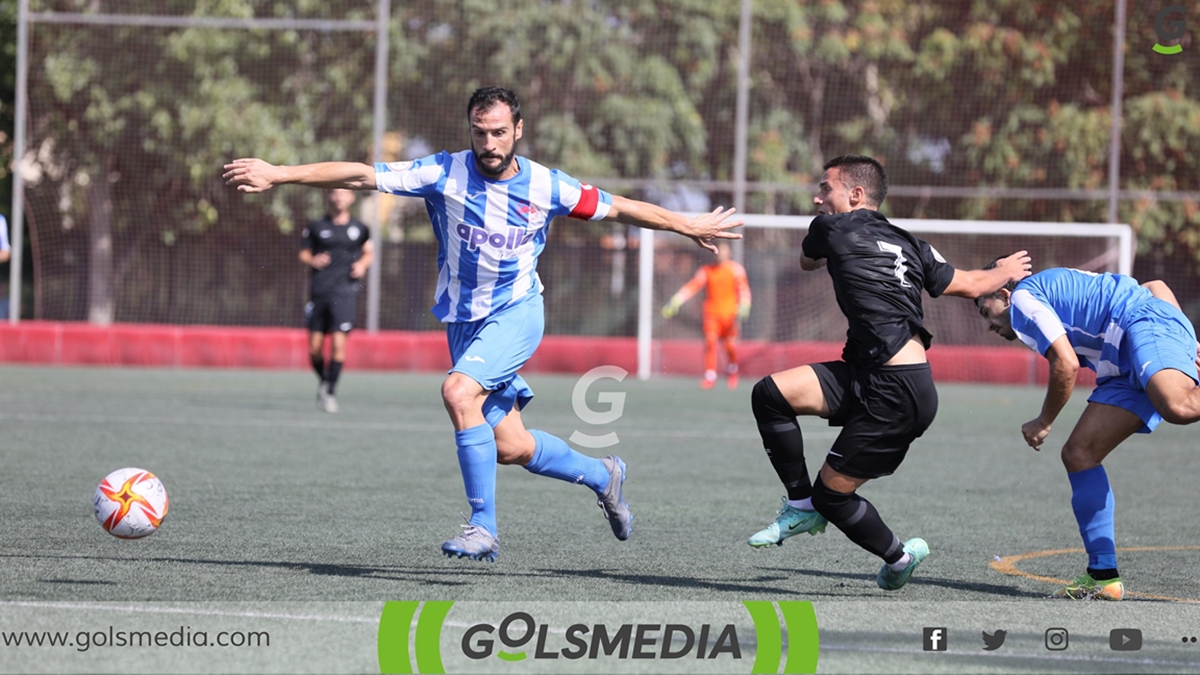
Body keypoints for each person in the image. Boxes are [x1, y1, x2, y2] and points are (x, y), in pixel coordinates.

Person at [224, 86, 743, 562]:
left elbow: (619, 207)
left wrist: (686, 222)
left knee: (457, 392)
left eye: (499, 132)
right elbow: (362, 174)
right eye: (480, 132)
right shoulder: (441, 172)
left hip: (517, 314)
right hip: (462, 322)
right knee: (511, 446)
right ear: (469, 129)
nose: (489, 143)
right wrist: (280, 173)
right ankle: (602, 474)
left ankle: (482, 525)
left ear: (518, 129)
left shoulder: (546, 185)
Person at [744, 154, 1031, 592]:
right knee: (769, 394)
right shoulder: (911, 243)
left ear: (855, 195)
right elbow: (973, 285)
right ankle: (801, 504)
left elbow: (807, 262)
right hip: (865, 372)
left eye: (826, 188)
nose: (817, 197)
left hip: (898, 395)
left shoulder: (828, 227)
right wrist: (1004, 272)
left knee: (833, 497)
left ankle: (898, 556)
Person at [976, 266, 1200, 600]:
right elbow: (1157, 284)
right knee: (1079, 455)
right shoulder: (1041, 296)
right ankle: (1103, 576)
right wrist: (1188, 340)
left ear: (1004, 295)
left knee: (1179, 407)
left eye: (986, 311)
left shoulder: (1023, 297)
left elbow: (1066, 364)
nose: (988, 324)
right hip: (1120, 360)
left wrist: (1044, 421)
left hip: (1140, 324)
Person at [300, 188, 374, 414]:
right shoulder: (316, 226)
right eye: (335, 193)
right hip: (320, 291)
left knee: (339, 344)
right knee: (314, 348)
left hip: (345, 293)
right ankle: (325, 380)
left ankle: (330, 391)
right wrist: (313, 259)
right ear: (329, 197)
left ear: (352, 198)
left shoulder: (360, 228)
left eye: (345, 193)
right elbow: (303, 253)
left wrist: (362, 265)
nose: (340, 197)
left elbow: (368, 252)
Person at [661, 241, 751, 389]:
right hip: (711, 314)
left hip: (729, 315)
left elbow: (744, 288)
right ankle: (710, 376)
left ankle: (732, 371)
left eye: (723, 251)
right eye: (718, 251)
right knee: (710, 343)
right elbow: (692, 286)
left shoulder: (736, 269)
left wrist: (745, 304)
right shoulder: (706, 270)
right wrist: (676, 301)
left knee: (730, 345)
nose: (721, 254)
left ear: (729, 253)